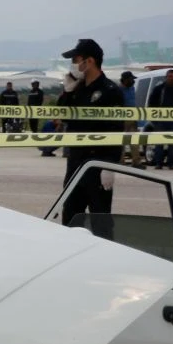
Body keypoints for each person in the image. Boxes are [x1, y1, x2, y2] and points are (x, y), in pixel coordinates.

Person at [56, 38, 125, 226]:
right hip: (75, 162)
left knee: (100, 222)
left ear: (90, 61)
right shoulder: (78, 89)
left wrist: (110, 165)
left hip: (98, 165)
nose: (74, 65)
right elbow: (64, 117)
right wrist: (68, 92)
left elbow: (116, 131)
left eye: (77, 60)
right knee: (70, 218)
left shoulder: (111, 91)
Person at [146, 68, 173, 169]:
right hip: (160, 121)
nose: (172, 78)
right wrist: (153, 118)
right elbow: (151, 103)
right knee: (159, 143)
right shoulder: (159, 89)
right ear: (166, 77)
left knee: (172, 144)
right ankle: (158, 163)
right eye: (170, 76)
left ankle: (171, 164)